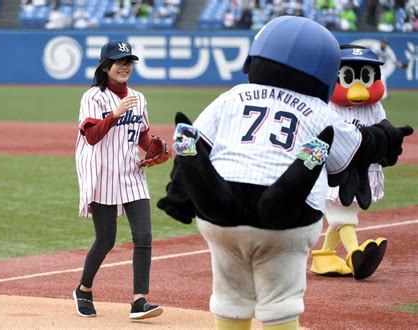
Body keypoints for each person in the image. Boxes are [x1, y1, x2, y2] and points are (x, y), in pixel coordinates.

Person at [157, 16, 413, 330]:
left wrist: (181, 195)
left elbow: (195, 142)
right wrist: (387, 138)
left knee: (230, 296)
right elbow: (357, 149)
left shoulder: (232, 96)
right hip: (285, 217)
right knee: (280, 303)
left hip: (220, 212)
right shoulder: (320, 111)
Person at [74, 40, 167, 320]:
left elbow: (142, 135)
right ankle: (84, 289)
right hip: (101, 174)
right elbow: (91, 136)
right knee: (105, 239)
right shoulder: (94, 97)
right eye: (119, 61)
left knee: (144, 236)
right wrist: (114, 115)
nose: (125, 66)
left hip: (131, 173)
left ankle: (139, 301)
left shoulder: (139, 98)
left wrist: (152, 149)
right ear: (105, 67)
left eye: (129, 61)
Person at [311, 45, 389, 280]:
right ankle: (356, 254)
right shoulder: (328, 105)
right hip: (337, 170)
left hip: (365, 171)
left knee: (345, 211)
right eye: (348, 77)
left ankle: (324, 256)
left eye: (365, 77)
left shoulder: (375, 107)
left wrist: (385, 148)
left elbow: (383, 129)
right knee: (343, 212)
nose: (358, 86)